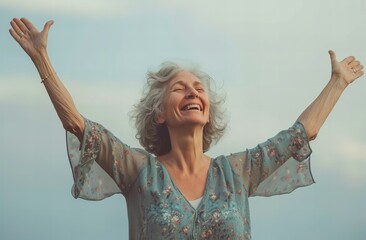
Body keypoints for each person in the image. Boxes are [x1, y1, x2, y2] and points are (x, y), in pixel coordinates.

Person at [9, 17, 364, 239]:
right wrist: (41, 59)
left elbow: (302, 134)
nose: (192, 91)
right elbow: (77, 123)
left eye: (198, 88)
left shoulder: (236, 173)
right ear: (160, 114)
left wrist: (337, 82)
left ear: (207, 111)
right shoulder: (139, 172)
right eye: (179, 88)